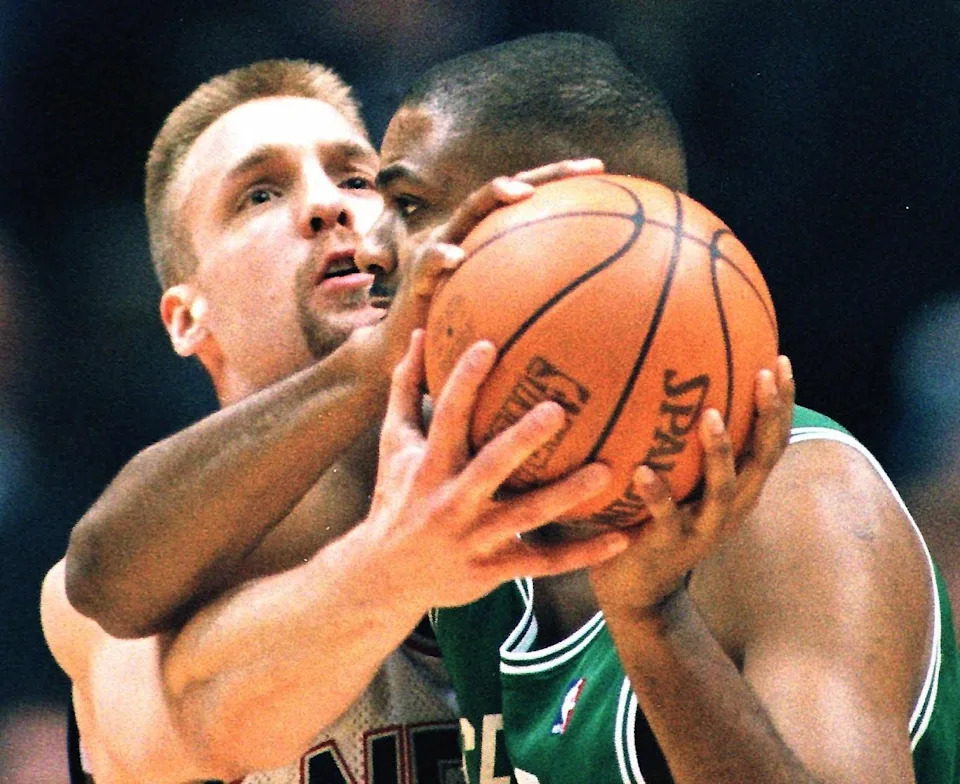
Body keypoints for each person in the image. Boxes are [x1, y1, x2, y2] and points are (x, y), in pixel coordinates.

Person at [38, 57, 669, 783]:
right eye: (259, 194)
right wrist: (389, 564)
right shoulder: (118, 599)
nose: (329, 206)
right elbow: (176, 733)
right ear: (187, 318)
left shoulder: (555, 473)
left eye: (359, 181)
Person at [354, 33, 960, 783]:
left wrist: (655, 624)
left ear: (569, 220)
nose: (371, 248)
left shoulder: (800, 505)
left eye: (410, 206)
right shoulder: (441, 478)